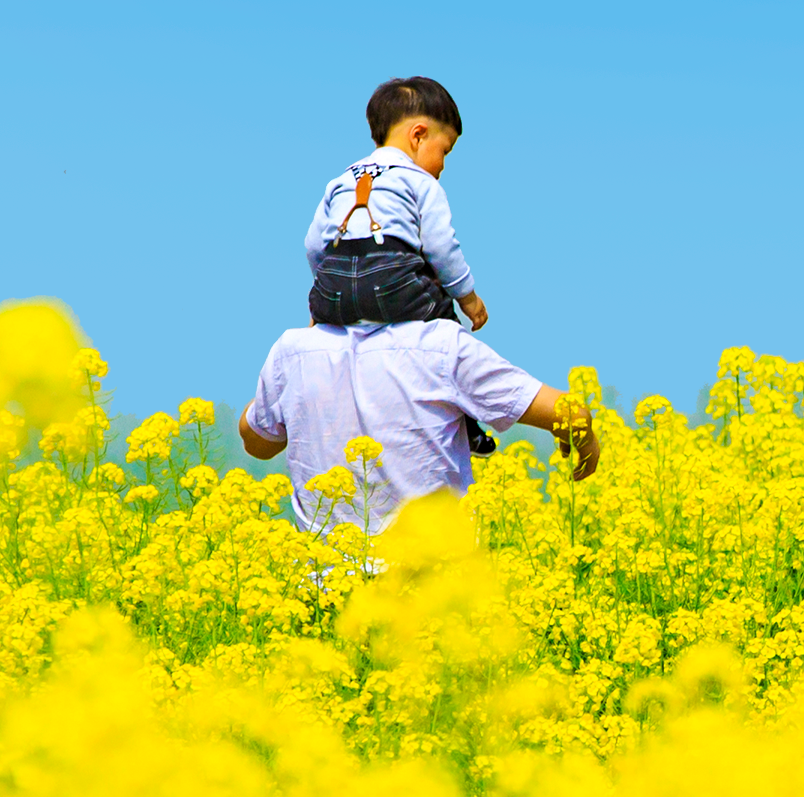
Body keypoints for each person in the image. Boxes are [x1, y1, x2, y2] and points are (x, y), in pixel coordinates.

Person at [238, 316, 599, 533]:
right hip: (434, 591)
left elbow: (258, 442)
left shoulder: (294, 351)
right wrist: (581, 445)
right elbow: (571, 414)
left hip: (328, 594)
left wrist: (302, 353)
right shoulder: (441, 345)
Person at [305, 74, 495, 454]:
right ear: (418, 135)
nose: (442, 166)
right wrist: (467, 297)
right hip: (391, 281)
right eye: (445, 151)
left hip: (335, 283)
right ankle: (467, 424)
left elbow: (314, 246)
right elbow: (441, 247)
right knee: (443, 324)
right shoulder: (421, 181)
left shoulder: (339, 181)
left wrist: (326, 299)